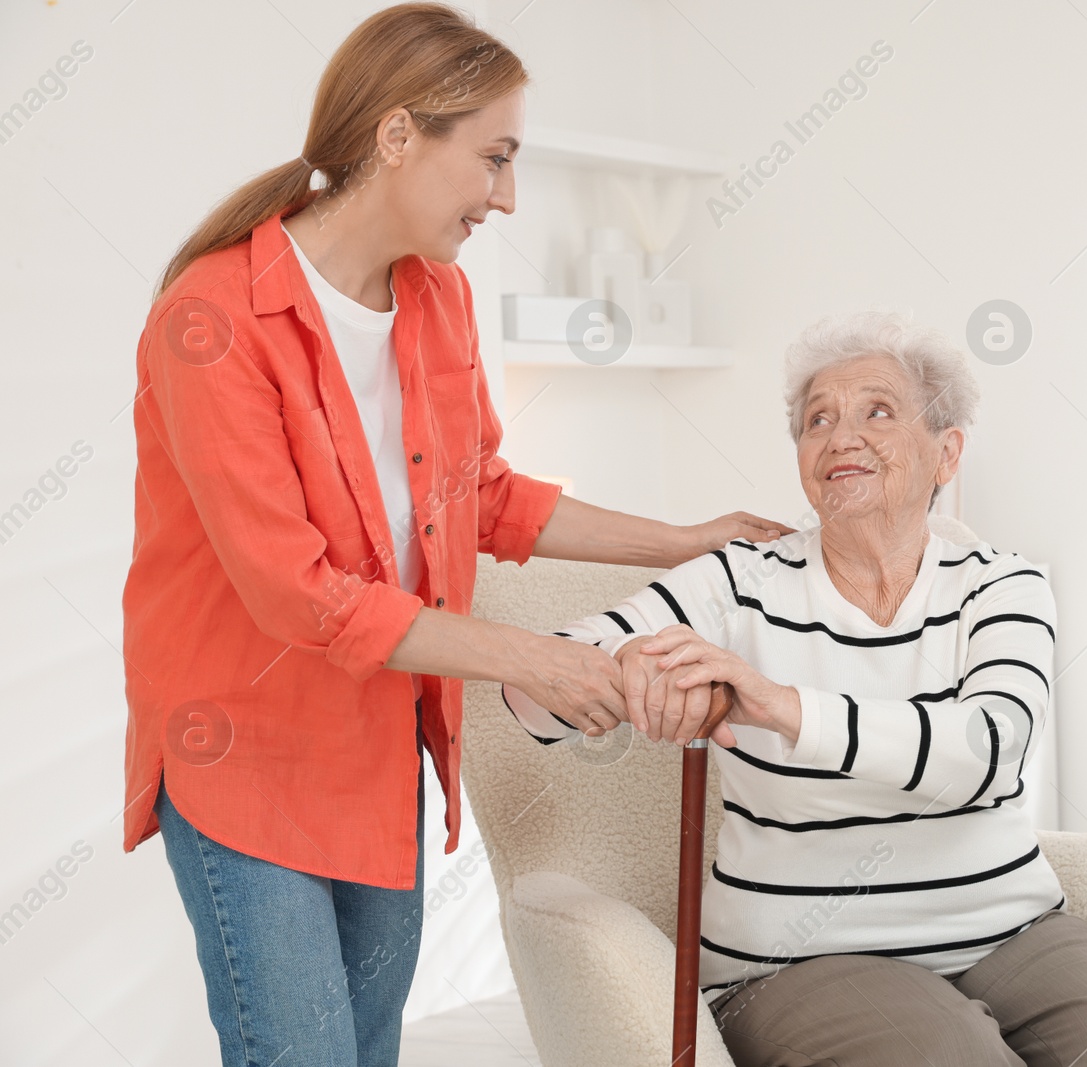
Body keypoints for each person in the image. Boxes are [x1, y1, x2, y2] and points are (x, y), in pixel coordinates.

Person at [120, 6, 790, 1065]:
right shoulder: (213, 319)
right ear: (398, 136)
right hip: (241, 754)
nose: (508, 196)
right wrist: (535, 658)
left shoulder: (438, 297)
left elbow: (484, 492)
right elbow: (298, 592)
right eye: (495, 157)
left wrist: (680, 540)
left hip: (376, 749)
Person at [504, 310, 1087, 1065]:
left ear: (946, 453)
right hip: (799, 958)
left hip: (1009, 931)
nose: (840, 436)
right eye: (817, 419)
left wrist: (779, 704)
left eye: (878, 411)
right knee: (949, 1056)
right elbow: (536, 689)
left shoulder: (1002, 585)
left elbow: (989, 748)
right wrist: (631, 668)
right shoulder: (742, 580)